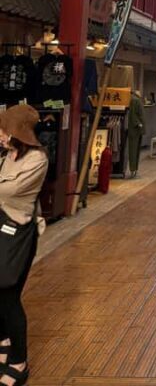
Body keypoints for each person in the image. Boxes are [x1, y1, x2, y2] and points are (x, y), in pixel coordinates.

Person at [0, 105, 49, 386]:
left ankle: (19, 361)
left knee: (8, 295)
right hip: (1, 228)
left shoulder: (37, 159)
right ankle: (4, 343)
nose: (0, 135)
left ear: (17, 132)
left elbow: (11, 189)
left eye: (3, 130)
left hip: (18, 234)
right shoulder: (7, 155)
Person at [127, 90, 145, 178]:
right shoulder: (135, 100)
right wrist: (138, 123)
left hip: (138, 129)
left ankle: (135, 170)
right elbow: (133, 114)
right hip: (135, 129)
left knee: (136, 150)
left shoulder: (137, 100)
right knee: (133, 150)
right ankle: (133, 170)